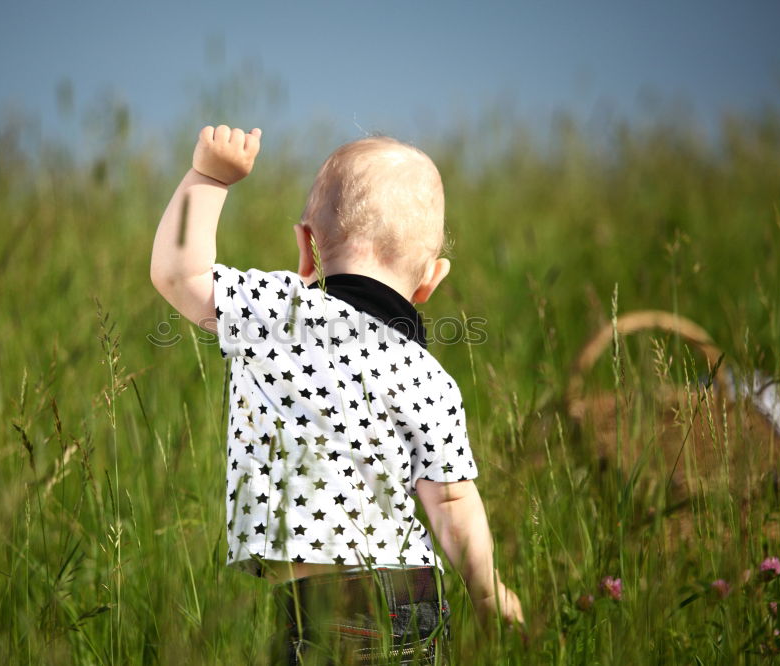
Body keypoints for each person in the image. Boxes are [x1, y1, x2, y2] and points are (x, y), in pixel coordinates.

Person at [151, 124, 523, 664]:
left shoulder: (279, 311)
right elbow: (451, 500)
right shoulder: (428, 376)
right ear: (431, 282)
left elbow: (178, 273)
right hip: (412, 597)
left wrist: (208, 177)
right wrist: (488, 592)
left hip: (327, 606)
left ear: (306, 248)